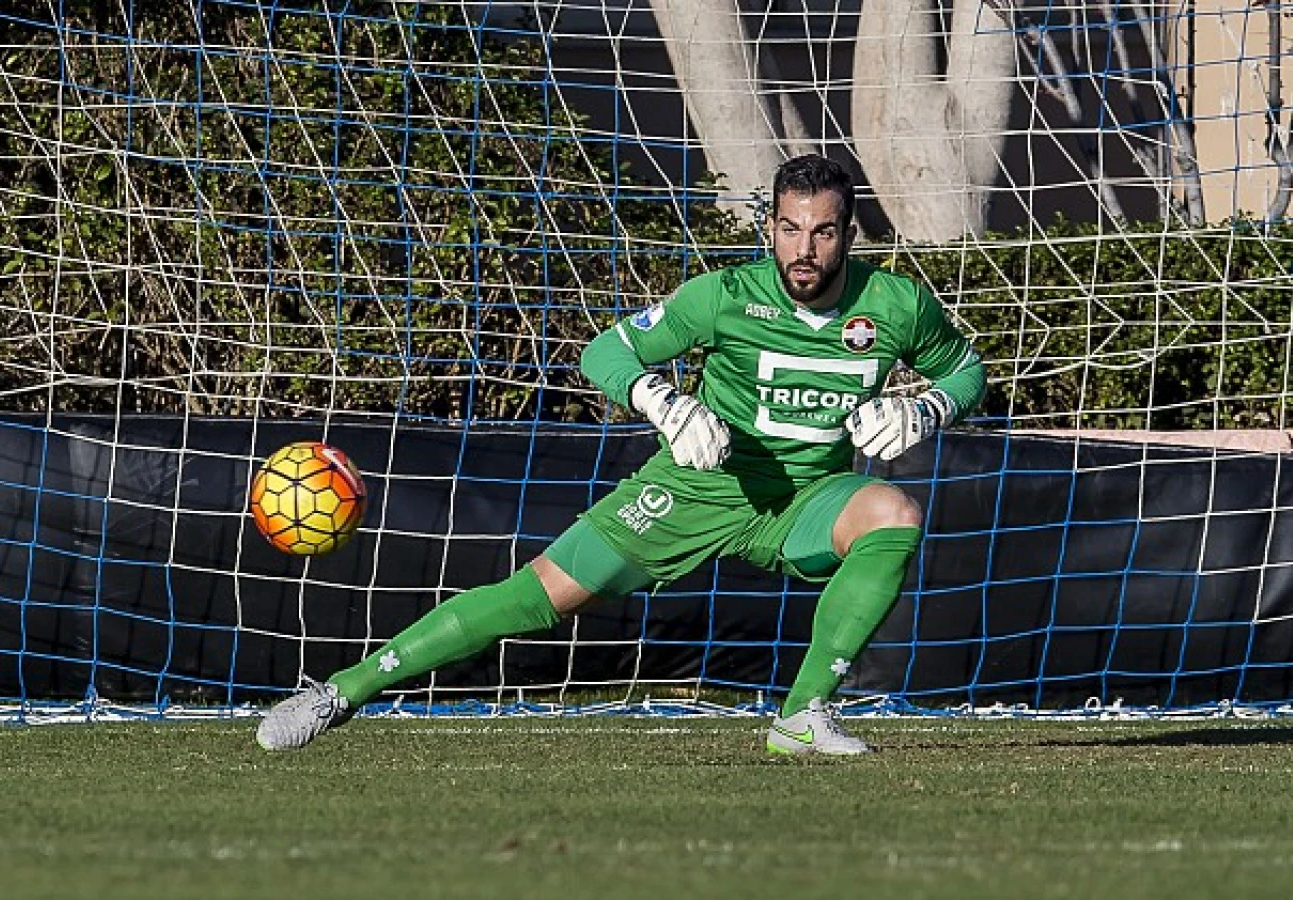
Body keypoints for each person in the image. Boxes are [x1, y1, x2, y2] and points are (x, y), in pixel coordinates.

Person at [256, 154, 986, 755]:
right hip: (694, 488)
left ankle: (802, 716)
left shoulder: (895, 304)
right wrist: (665, 403)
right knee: (530, 600)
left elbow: (966, 369)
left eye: (822, 233)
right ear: (769, 226)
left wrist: (927, 405)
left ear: (849, 234)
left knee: (893, 511)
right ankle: (339, 692)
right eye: (790, 230)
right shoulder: (723, 295)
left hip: (804, 503)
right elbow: (605, 349)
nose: (804, 250)